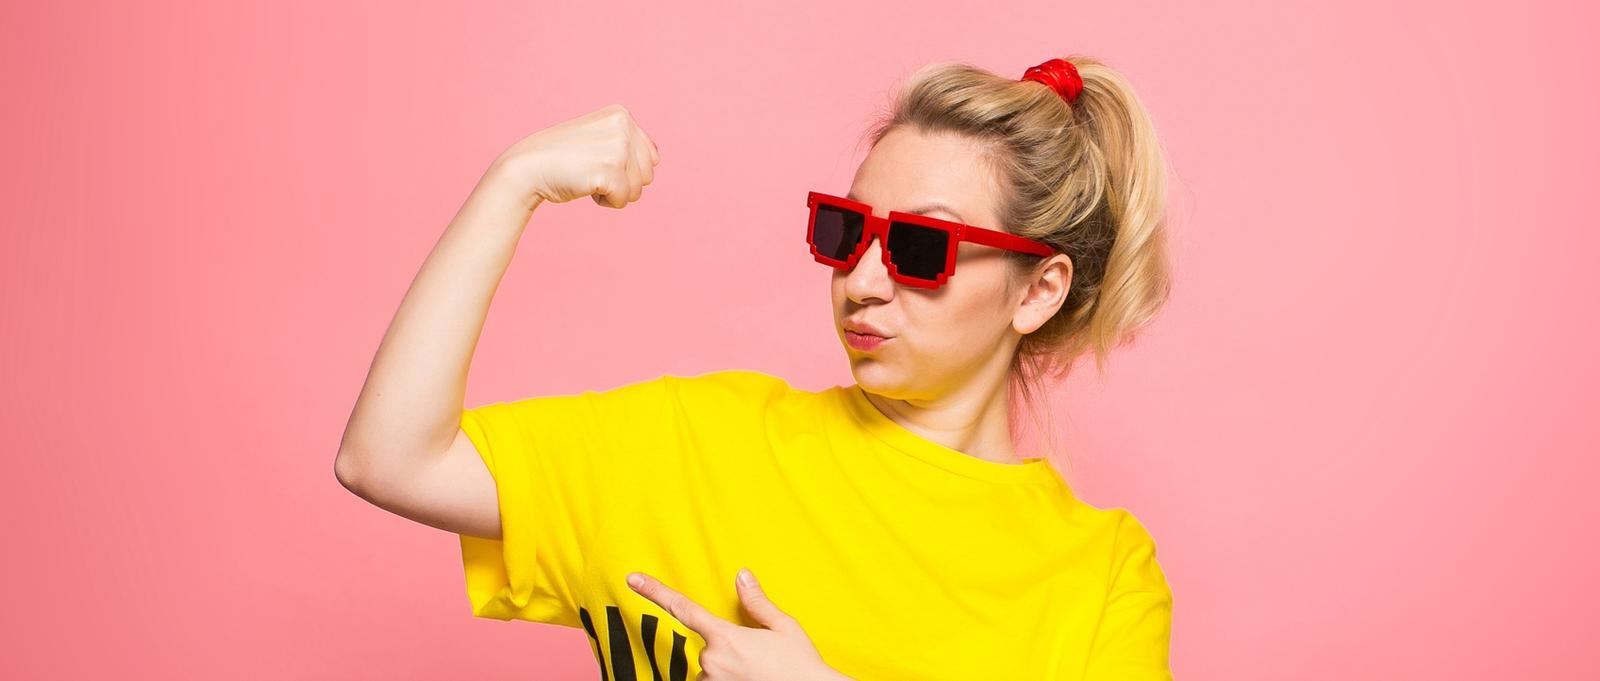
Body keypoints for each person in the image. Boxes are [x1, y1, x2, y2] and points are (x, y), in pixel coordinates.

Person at [336, 55, 1176, 680]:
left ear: (1039, 291)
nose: (865, 281)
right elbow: (388, 458)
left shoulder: (1100, 575)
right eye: (847, 232)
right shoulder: (697, 441)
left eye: (923, 247)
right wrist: (511, 184)